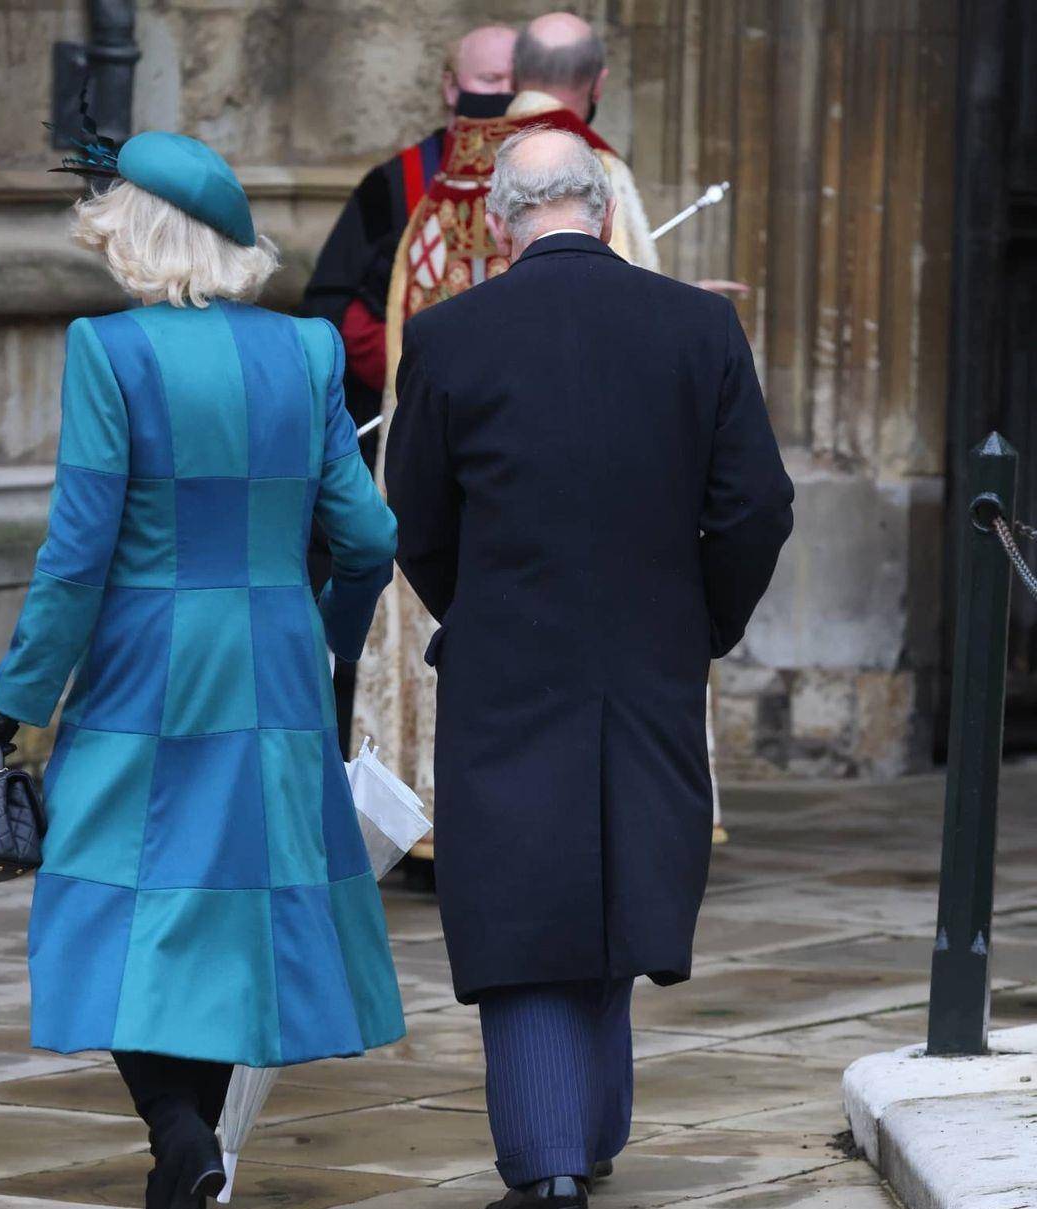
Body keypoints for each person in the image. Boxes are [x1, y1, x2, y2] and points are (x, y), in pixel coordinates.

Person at [0, 126, 403, 1209]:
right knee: (231, 906)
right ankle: (187, 1153)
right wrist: (332, 642)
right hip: (278, 661)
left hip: (147, 666)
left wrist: (9, 704)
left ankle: (179, 1135)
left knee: (108, 899)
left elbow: (75, 555)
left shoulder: (110, 350)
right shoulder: (304, 351)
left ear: (139, 239)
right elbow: (372, 539)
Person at [384, 128, 794, 1208]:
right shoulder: (699, 324)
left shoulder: (451, 337)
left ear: (503, 222)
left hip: (508, 657)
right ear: (605, 212)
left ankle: (556, 1151)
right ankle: (568, 1140)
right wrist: (701, 620)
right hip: (649, 653)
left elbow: (415, 519)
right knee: (613, 871)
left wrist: (478, 607)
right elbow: (757, 507)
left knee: (529, 893)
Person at [353, 11, 660, 833]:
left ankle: (410, 808)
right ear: (599, 84)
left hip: (462, 561)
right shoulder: (588, 173)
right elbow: (630, 329)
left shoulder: (438, 188)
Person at [300, 22, 516, 753]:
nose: (503, 100)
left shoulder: (561, 179)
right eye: (488, 84)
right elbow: (332, 310)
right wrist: (415, 373)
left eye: (515, 84)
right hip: (416, 435)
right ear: (451, 88)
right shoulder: (399, 184)